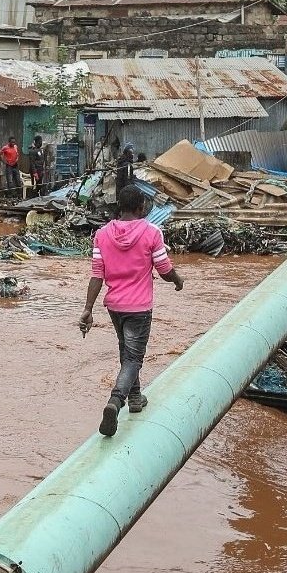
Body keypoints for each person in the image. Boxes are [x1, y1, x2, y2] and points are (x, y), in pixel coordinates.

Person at [80, 185, 184, 438]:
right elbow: (163, 268)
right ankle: (116, 402)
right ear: (141, 209)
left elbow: (97, 275)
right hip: (139, 307)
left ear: (120, 207)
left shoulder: (102, 235)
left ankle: (136, 398)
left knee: (126, 352)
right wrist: (178, 280)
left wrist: (88, 309)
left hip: (114, 306)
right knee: (134, 358)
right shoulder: (152, 232)